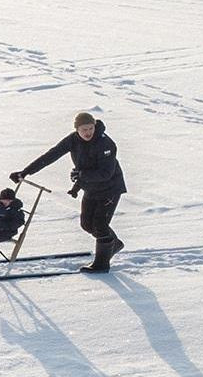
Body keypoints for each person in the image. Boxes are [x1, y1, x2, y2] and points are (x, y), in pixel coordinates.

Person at [10, 112, 126, 272]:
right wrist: (25, 172)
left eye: (90, 128)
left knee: (100, 225)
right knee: (87, 225)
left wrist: (82, 175)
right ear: (77, 129)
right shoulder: (73, 140)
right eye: (84, 129)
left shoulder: (105, 144)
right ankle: (113, 244)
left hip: (110, 188)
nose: (88, 133)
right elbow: (51, 155)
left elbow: (106, 173)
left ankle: (101, 264)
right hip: (91, 187)